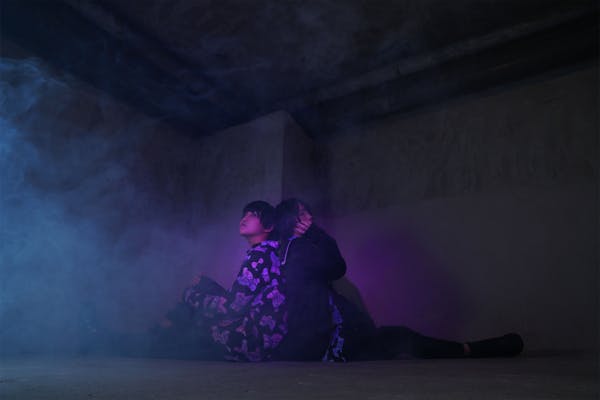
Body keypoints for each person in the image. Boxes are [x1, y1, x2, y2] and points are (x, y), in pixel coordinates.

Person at [270, 198, 524, 362]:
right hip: (330, 341)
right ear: (291, 220)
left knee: (399, 338)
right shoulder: (300, 248)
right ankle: (474, 349)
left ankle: (474, 349)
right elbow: (338, 266)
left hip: (328, 337)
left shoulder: (292, 250)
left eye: (309, 212)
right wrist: (317, 234)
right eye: (303, 213)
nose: (310, 218)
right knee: (400, 339)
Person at [116, 200, 287, 362]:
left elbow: (233, 308)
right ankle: (149, 337)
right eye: (245, 214)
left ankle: (137, 341)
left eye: (253, 215)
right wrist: (203, 288)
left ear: (269, 226)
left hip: (251, 342)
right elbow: (239, 301)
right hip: (257, 339)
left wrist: (190, 296)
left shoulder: (259, 256)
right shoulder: (267, 253)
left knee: (179, 334)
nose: (245, 218)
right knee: (200, 287)